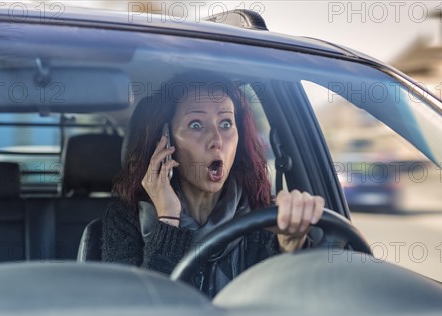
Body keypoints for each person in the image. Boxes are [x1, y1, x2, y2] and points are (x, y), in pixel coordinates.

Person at [102, 71, 325, 295]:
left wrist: (290, 246)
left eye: (226, 124)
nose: (217, 140)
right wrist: (168, 219)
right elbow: (136, 315)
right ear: (166, 140)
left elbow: (292, 308)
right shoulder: (125, 220)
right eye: (196, 125)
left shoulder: (266, 217)